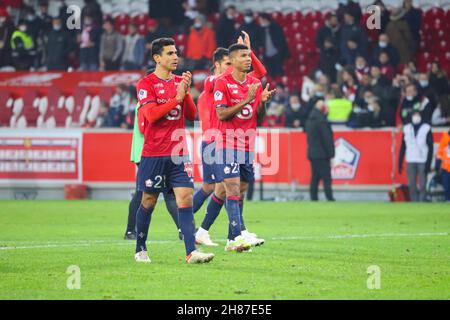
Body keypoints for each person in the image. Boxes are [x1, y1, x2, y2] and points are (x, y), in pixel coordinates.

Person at [134, 37, 214, 264]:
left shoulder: (179, 81)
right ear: (157, 58)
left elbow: (190, 114)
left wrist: (185, 91)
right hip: (154, 152)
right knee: (149, 201)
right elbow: (151, 116)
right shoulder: (145, 84)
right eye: (170, 53)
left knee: (185, 198)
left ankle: (191, 252)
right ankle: (140, 248)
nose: (175, 57)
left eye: (176, 52)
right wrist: (176, 97)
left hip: (179, 151)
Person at [194, 31, 267, 247]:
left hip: (243, 141)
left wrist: (248, 51)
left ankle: (224, 232)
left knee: (224, 189)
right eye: (228, 62)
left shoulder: (249, 82)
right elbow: (222, 110)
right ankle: (193, 225)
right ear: (219, 64)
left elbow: (260, 73)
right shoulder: (213, 81)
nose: (245, 61)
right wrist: (247, 96)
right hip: (217, 141)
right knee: (217, 187)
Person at [213, 43, 276, 252]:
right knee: (231, 187)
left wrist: (262, 102)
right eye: (244, 56)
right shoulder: (222, 83)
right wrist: (247, 99)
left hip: (248, 143)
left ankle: (232, 240)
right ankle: (239, 235)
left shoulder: (255, 83)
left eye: (249, 55)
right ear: (232, 61)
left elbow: (259, 116)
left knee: (240, 191)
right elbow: (222, 114)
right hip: (227, 141)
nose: (249, 59)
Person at [124, 98, 180, 240]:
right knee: (147, 193)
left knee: (166, 192)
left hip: (152, 153)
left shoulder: (147, 102)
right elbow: (144, 128)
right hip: (146, 153)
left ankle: (183, 229)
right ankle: (130, 230)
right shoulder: (145, 102)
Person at [398, 112, 433, 202]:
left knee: (422, 184)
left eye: (417, 115)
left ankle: (422, 201)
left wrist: (428, 163)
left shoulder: (426, 128)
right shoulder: (407, 128)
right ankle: (414, 202)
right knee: (412, 184)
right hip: (410, 158)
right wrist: (400, 161)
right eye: (414, 115)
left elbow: (430, 147)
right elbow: (403, 146)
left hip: (423, 159)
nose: (416, 117)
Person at [305, 100, 335, 201]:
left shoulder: (310, 120)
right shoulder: (322, 121)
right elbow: (327, 139)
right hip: (322, 154)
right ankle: (329, 197)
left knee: (315, 177)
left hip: (312, 153)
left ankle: (314, 198)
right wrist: (331, 155)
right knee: (326, 177)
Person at [259, 13, 289, 78]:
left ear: (265, 20)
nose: (260, 22)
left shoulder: (276, 27)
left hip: (276, 54)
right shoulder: (261, 29)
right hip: (267, 56)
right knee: (270, 74)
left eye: (261, 20)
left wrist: (280, 52)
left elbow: (281, 41)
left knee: (278, 73)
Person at [436, 130, 450, 201]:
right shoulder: (445, 138)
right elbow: (439, 153)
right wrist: (437, 166)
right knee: (446, 187)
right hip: (445, 168)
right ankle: (447, 200)